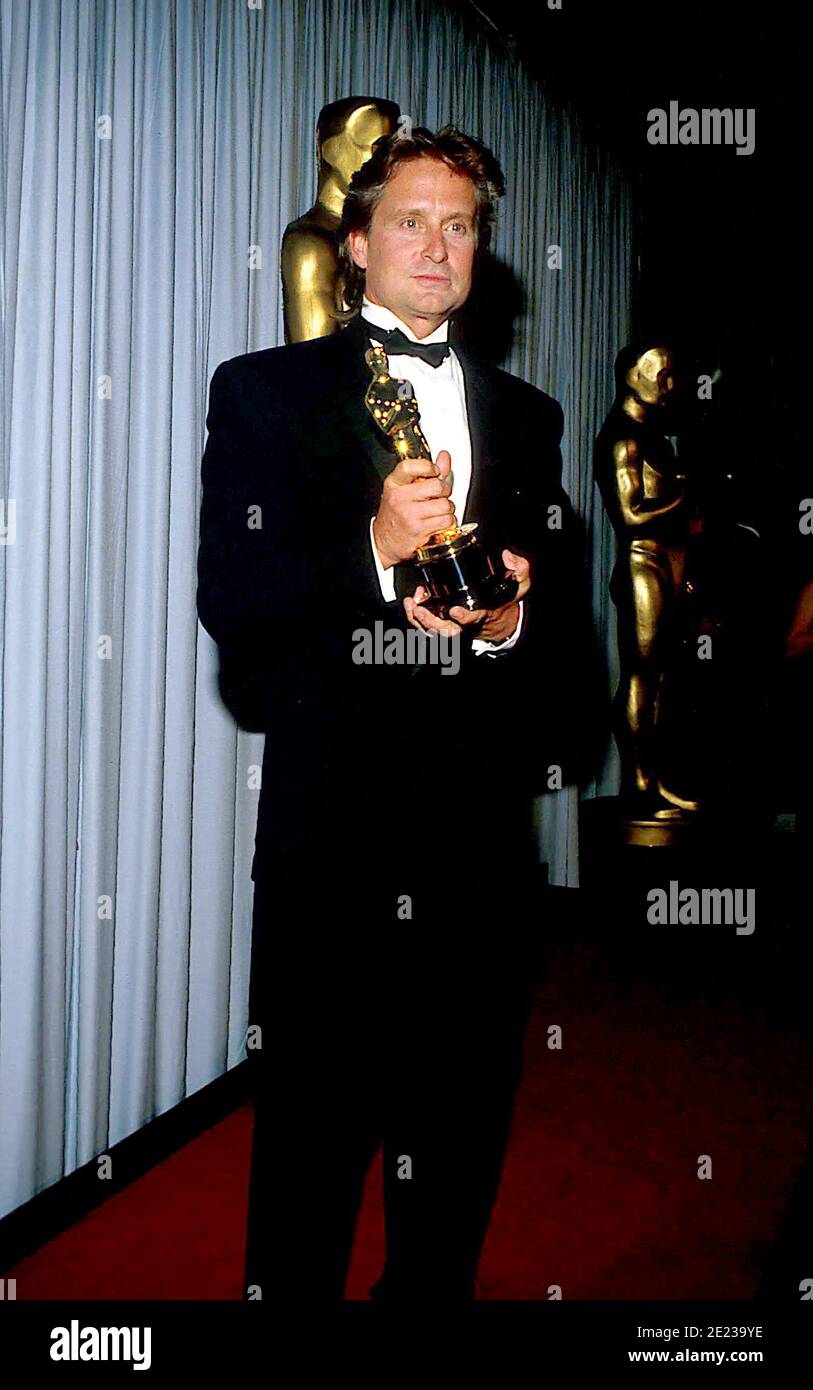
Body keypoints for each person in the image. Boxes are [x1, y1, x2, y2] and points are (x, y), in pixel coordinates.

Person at [196, 125, 595, 1300]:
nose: (438, 243)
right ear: (358, 243)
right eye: (412, 220)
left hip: (480, 849)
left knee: (461, 1137)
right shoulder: (263, 392)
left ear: (482, 254)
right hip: (335, 845)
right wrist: (373, 549)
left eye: (461, 224)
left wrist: (515, 621)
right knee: (312, 1148)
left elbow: (566, 655)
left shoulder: (529, 418)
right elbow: (237, 605)